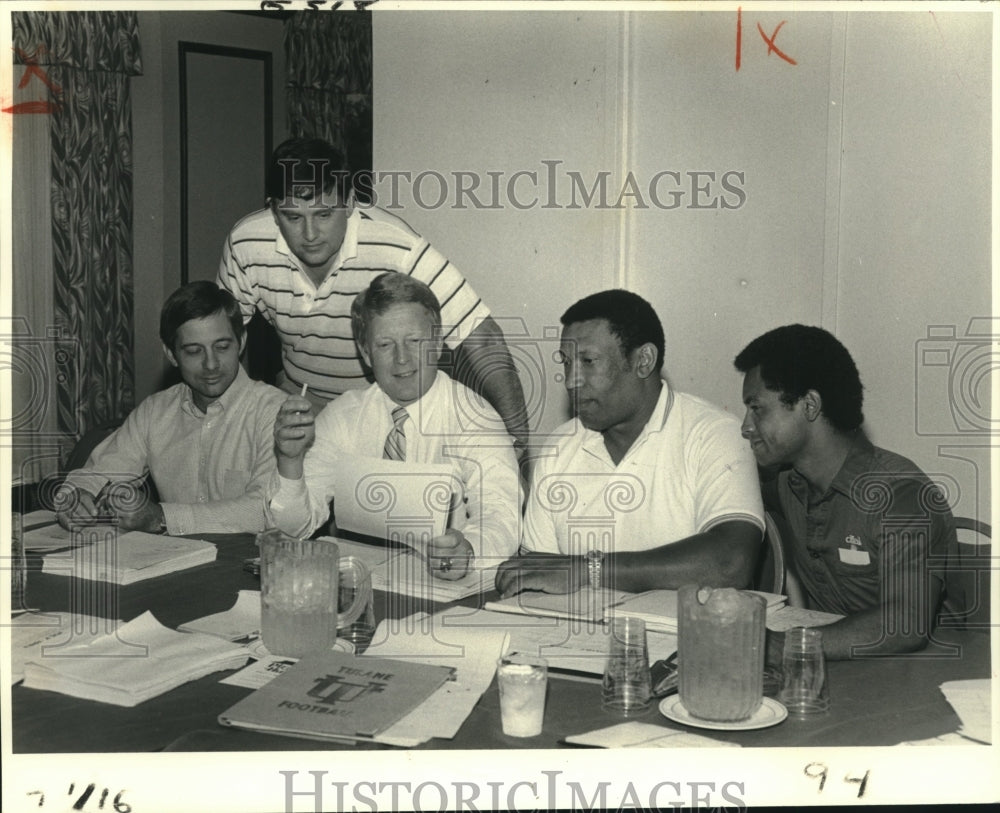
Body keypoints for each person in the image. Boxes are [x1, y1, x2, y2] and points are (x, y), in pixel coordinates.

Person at [217, 137, 529, 462]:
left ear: (350, 202)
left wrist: (519, 445)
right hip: (302, 404)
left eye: (324, 214)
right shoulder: (245, 243)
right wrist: (255, 407)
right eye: (293, 217)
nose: (309, 235)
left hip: (382, 412)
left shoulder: (397, 247)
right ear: (273, 209)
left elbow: (484, 339)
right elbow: (219, 339)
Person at [495, 290, 764, 598]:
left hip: (685, 641)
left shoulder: (714, 434)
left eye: (588, 361)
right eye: (567, 362)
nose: (571, 380)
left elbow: (732, 563)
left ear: (643, 361)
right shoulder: (561, 445)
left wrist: (589, 570)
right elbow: (537, 572)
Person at [267, 273, 521, 580]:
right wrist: (290, 463)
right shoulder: (343, 416)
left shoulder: (475, 417)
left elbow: (504, 516)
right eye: (385, 344)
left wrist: (469, 550)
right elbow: (293, 528)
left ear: (438, 343)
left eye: (414, 341)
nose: (402, 359)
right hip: (362, 585)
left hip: (446, 588)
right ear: (365, 353)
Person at [734, 324, 960, 659]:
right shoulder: (788, 482)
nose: (745, 426)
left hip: (914, 680)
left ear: (809, 405)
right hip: (837, 670)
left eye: (758, 408)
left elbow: (905, 626)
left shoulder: (901, 496)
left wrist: (781, 646)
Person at [55, 282, 285, 535]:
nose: (211, 364)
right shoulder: (155, 411)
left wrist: (161, 517)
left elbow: (268, 510)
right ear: (171, 354)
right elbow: (95, 475)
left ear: (240, 342)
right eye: (194, 351)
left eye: (221, 347)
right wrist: (75, 498)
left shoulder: (275, 411)